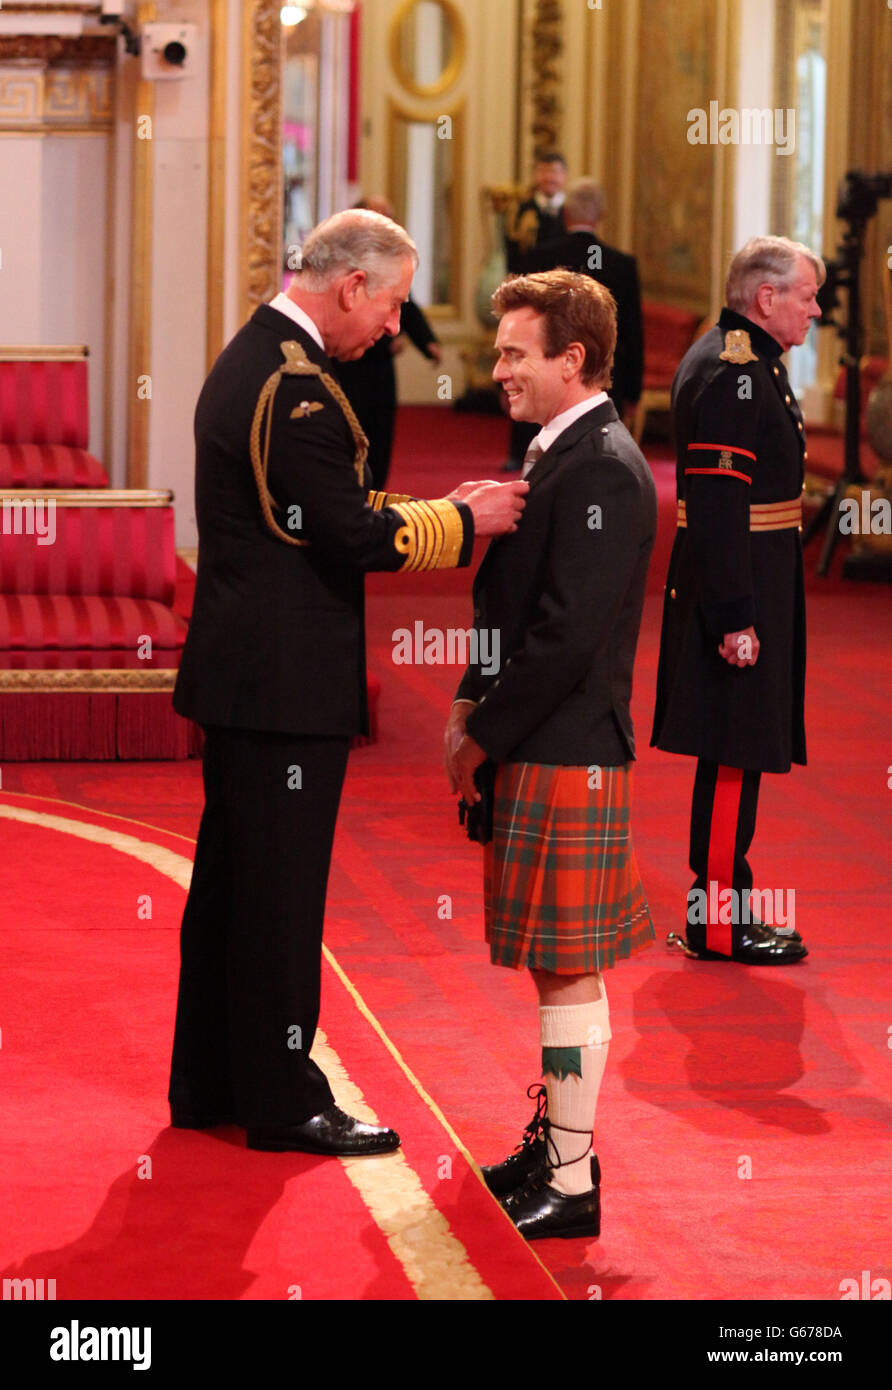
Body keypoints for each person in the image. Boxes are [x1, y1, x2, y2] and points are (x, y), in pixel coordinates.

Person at [169, 209, 528, 1157]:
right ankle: (284, 1102)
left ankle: (211, 1081)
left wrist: (433, 507)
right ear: (350, 286)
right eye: (393, 303)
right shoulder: (296, 389)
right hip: (281, 682)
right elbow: (349, 531)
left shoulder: (261, 356)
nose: (393, 326)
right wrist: (465, 520)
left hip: (249, 673)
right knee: (279, 900)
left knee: (235, 890)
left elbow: (334, 507)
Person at [445, 269, 657, 1240]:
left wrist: (478, 733)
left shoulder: (603, 466)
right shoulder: (561, 455)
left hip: (565, 747)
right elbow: (509, 609)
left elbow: (566, 637)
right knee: (552, 964)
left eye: (513, 353)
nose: (498, 370)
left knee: (567, 968)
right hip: (542, 745)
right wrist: (465, 700)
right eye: (498, 353)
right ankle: (559, 1145)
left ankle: (570, 1178)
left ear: (573, 360)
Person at [651, 235, 824, 964]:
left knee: (740, 750)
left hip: (756, 575)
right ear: (766, 297)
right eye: (807, 297)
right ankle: (718, 921)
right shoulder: (734, 373)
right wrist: (734, 619)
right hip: (739, 584)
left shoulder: (749, 361)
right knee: (731, 750)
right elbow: (720, 504)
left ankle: (727, 907)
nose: (815, 310)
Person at [336, 195, 443, 491]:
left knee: (380, 435)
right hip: (346, 366)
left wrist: (427, 343)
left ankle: (374, 495)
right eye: (380, 219)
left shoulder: (389, 261)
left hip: (380, 369)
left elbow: (406, 306)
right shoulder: (340, 260)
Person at [519, 178, 644, 421]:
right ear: (602, 215)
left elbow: (525, 325)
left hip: (546, 377)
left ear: (565, 214)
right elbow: (633, 334)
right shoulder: (623, 266)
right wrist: (633, 393)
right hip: (604, 383)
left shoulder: (538, 259)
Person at [503, 153, 569, 471]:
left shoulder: (571, 213)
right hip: (532, 304)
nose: (550, 179)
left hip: (564, 307)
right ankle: (519, 450)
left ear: (564, 177)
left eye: (555, 173)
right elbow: (514, 259)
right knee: (524, 375)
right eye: (544, 173)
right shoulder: (523, 212)